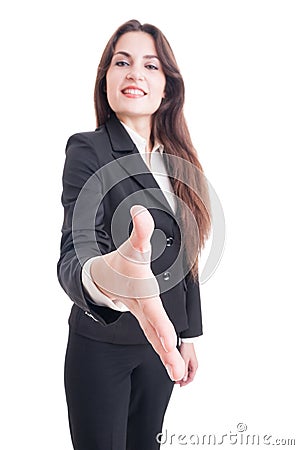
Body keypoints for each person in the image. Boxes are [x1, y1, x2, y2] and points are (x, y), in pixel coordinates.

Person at [57, 19, 211, 450]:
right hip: (102, 346)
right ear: (105, 78)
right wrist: (105, 276)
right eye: (121, 62)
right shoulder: (88, 149)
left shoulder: (179, 162)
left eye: (151, 65)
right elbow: (77, 245)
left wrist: (189, 334)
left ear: (168, 88)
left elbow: (188, 255)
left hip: (161, 347)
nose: (134, 73)